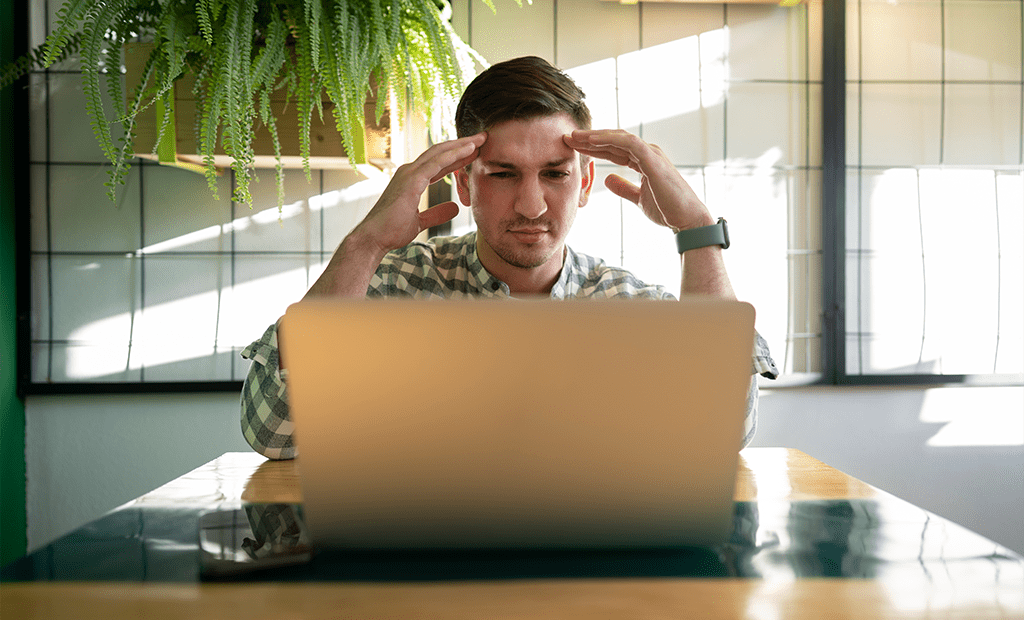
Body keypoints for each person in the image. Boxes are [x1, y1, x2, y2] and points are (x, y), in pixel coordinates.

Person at [240, 56, 778, 460]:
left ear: (584, 182)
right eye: (503, 174)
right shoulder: (389, 287)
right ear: (464, 183)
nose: (531, 205)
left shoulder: (629, 303)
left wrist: (697, 231)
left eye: (555, 173)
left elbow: (721, 431)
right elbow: (274, 432)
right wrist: (365, 245)